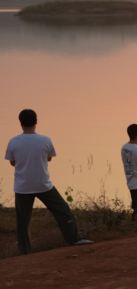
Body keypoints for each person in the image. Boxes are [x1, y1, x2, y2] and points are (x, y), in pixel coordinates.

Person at [4, 109, 93, 254]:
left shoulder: (13, 142)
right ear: (36, 121)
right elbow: (49, 158)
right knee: (63, 211)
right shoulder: (45, 140)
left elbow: (13, 162)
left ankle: (24, 251)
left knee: (23, 221)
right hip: (43, 184)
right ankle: (73, 239)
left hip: (22, 187)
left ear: (20, 122)